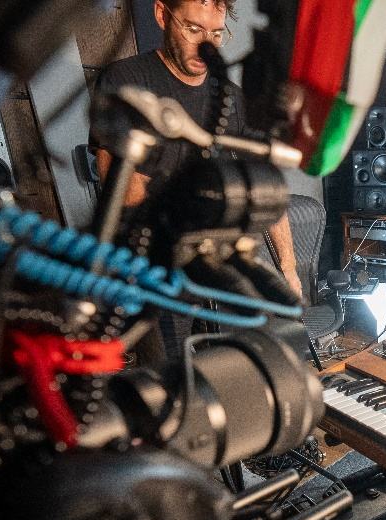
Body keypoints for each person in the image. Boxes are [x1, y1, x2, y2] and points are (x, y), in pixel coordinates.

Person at [89, 0, 302, 298]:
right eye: (193, 29)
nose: (206, 46)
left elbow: (264, 184)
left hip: (213, 263)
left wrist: (288, 267)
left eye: (216, 34)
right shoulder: (126, 80)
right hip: (152, 267)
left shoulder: (233, 99)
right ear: (162, 15)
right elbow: (122, 188)